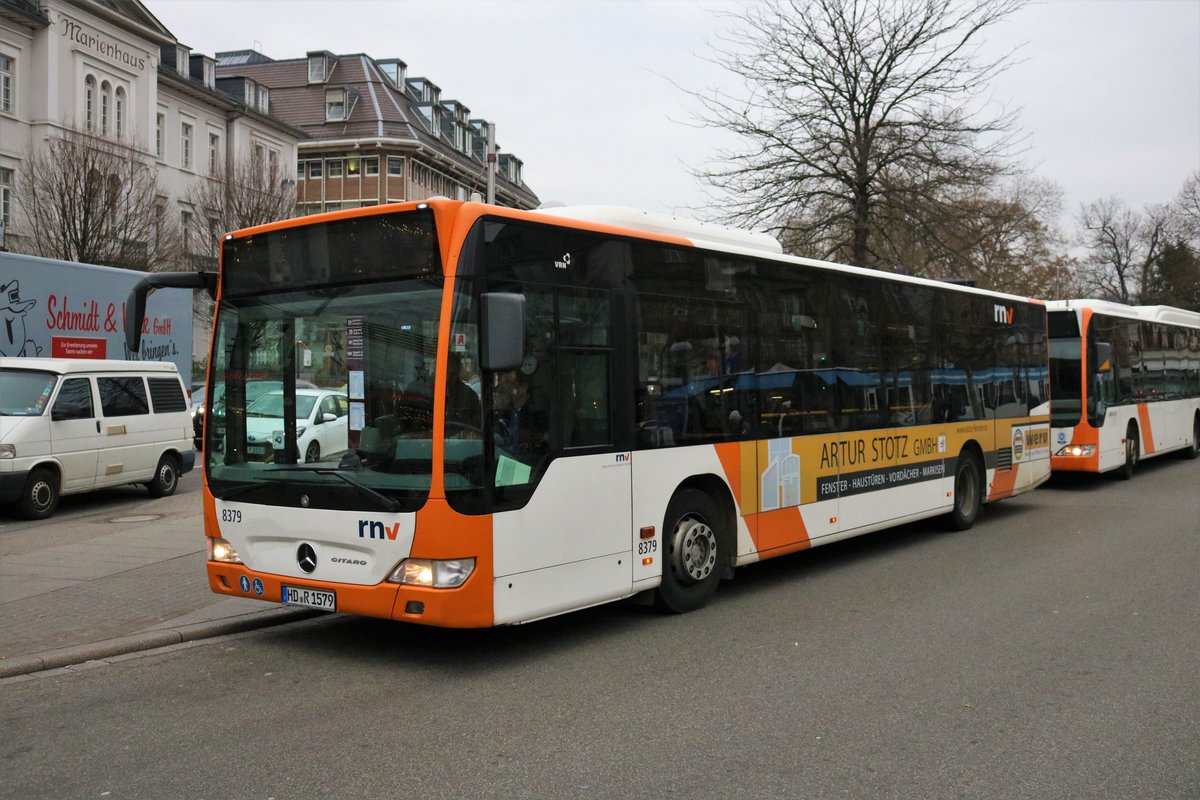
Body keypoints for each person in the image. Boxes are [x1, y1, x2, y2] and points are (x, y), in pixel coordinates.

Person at [445, 351, 481, 428]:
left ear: (458, 372)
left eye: (453, 374)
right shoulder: (427, 391)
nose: (447, 379)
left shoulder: (470, 396)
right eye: (445, 372)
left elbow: (475, 429)